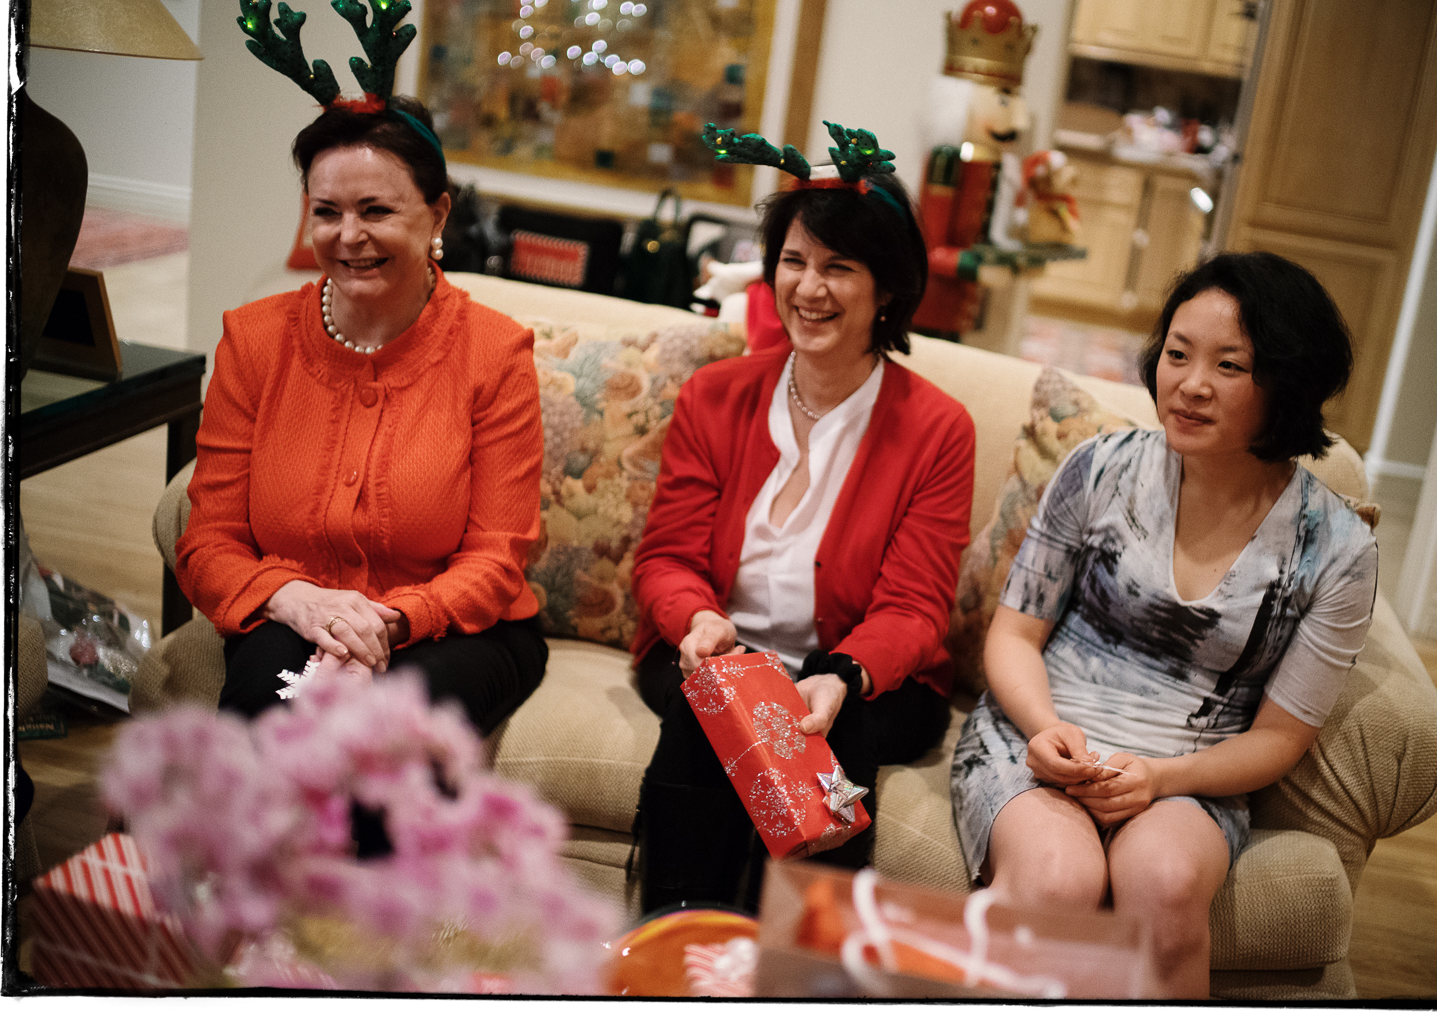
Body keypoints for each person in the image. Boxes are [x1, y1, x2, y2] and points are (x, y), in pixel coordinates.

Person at [949, 252, 1378, 998]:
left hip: (1191, 770)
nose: (1191, 384)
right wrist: (1046, 728)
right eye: (1177, 354)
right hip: (1041, 735)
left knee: (1168, 883)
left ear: (1287, 382)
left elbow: (1279, 737)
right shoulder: (1100, 467)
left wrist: (1160, 778)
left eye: (1229, 365)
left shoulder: (1336, 548)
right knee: (1057, 880)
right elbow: (1014, 635)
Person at [631, 162, 977, 913]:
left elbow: (916, 606)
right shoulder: (715, 395)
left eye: (839, 267)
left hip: (864, 681)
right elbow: (667, 556)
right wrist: (699, 619)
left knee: (829, 724)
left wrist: (844, 674)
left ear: (887, 289)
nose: (809, 288)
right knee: (712, 703)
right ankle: (677, 943)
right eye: (793, 261)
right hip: (718, 649)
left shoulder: (938, 429)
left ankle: (795, 958)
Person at [174, 92, 547, 736]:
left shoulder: (495, 353)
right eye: (327, 212)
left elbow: (496, 557)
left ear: (437, 215)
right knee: (264, 718)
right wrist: (295, 601)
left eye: (376, 210)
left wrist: (382, 623)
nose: (348, 236)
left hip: (457, 630)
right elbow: (209, 542)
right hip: (295, 613)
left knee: (383, 738)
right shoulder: (254, 340)